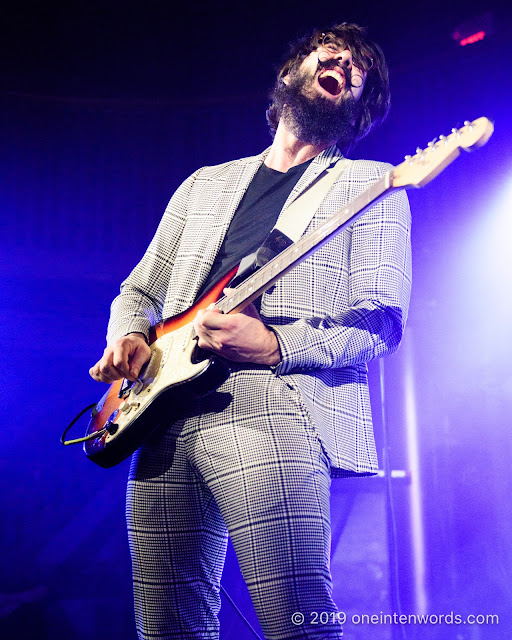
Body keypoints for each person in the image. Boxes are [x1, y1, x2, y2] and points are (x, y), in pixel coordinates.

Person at [89, 22, 412, 640]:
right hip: (158, 415)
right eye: (331, 53)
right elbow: (140, 290)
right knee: (167, 626)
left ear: (358, 106)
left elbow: (381, 321)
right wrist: (128, 336)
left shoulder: (372, 187)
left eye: (359, 70)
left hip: (270, 406)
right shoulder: (204, 183)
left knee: (296, 623)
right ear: (290, 72)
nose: (343, 64)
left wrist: (276, 344)